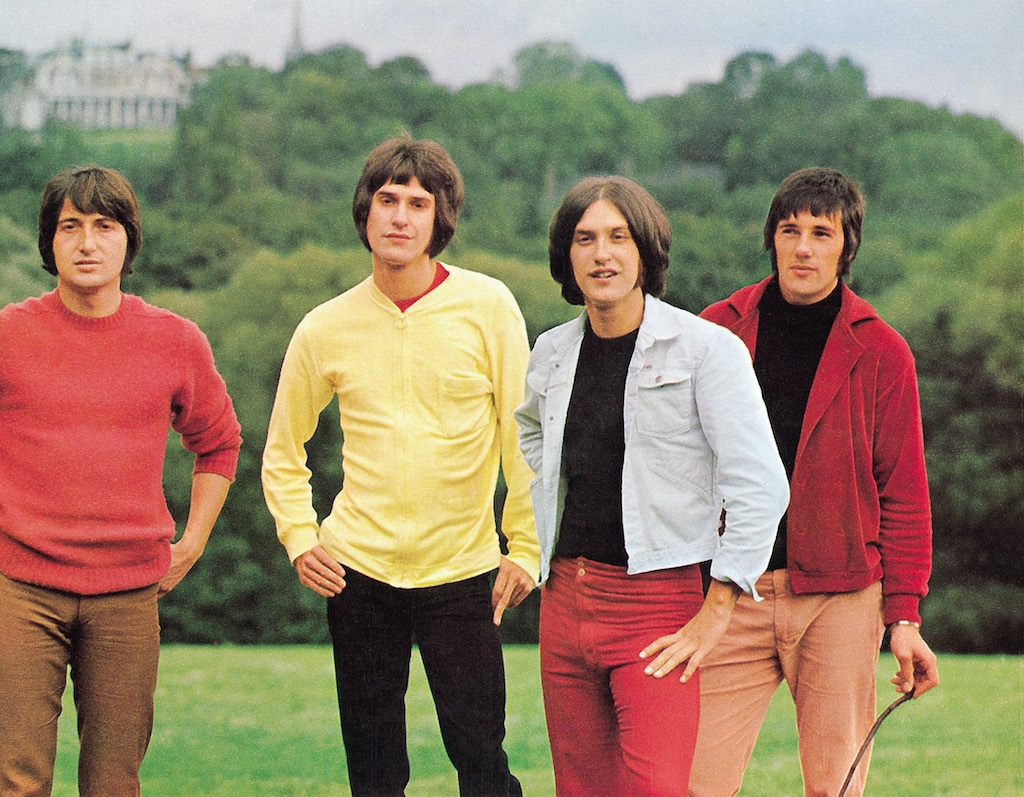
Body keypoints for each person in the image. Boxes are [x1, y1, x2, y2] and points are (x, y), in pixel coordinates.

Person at [0, 165, 242, 797]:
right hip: (22, 591)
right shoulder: (2, 336)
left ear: (128, 240)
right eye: (70, 226)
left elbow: (219, 443)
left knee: (114, 784)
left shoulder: (175, 342)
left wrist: (192, 542)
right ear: (48, 242)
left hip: (129, 597)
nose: (87, 243)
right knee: (18, 783)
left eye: (104, 226)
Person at [261, 133, 539, 796]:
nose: (400, 217)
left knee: (483, 762)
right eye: (387, 200)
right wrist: (300, 538)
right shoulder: (325, 326)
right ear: (365, 211)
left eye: (418, 204)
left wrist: (526, 548)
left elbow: (525, 436)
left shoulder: (489, 306)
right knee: (374, 772)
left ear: (440, 220)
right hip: (358, 573)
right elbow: (282, 451)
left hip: (464, 571)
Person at [514, 175, 789, 796]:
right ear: (567, 255)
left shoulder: (705, 350)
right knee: (580, 789)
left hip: (657, 607)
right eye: (585, 239)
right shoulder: (552, 351)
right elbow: (531, 431)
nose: (602, 254)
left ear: (645, 251)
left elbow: (761, 484)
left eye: (619, 237)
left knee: (657, 787)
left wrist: (719, 606)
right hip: (565, 599)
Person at [689, 167, 940, 797]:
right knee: (692, 782)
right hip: (729, 590)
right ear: (771, 240)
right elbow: (676, 464)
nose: (803, 248)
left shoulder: (882, 350)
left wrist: (904, 616)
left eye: (821, 233)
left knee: (835, 788)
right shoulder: (716, 328)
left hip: (840, 598)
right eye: (789, 230)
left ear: (846, 246)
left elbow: (905, 494)